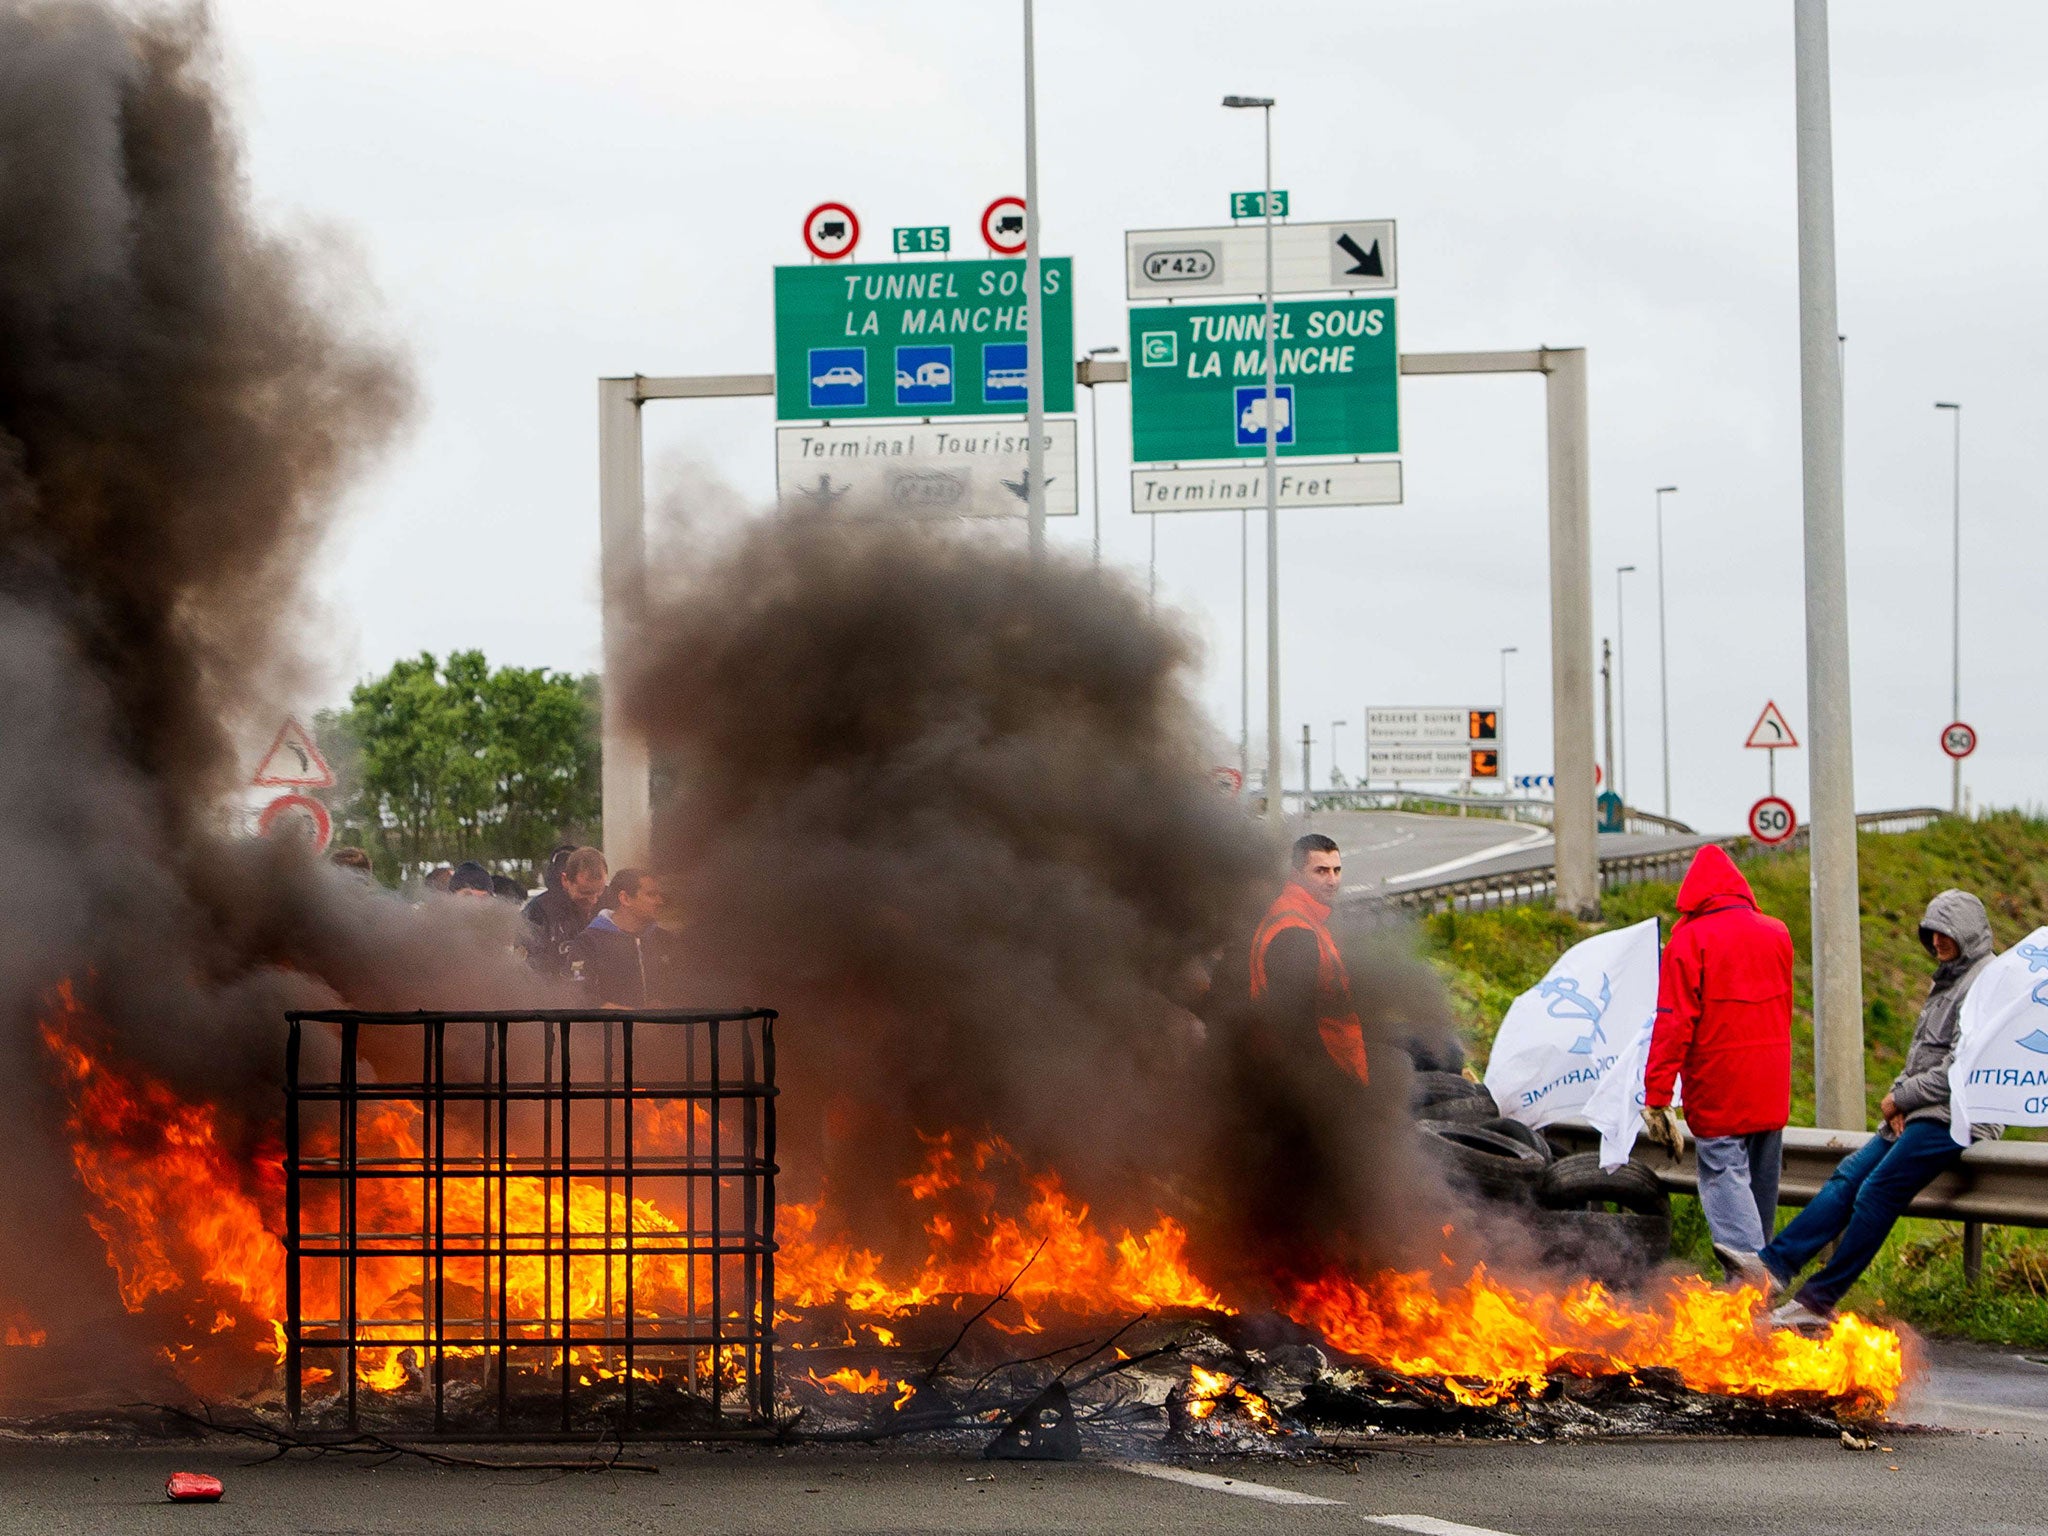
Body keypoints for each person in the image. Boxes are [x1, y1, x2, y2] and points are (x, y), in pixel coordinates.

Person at [1722, 891, 2001, 1328]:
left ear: (1968, 933)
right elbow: (1920, 1057)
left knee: (1876, 1190)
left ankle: (1817, 1301)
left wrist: (1901, 1099)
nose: (1937, 941)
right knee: (1850, 1174)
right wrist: (1897, 1101)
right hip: (1924, 1108)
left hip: (1960, 1115)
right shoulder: (1946, 979)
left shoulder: (1986, 982)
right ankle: (1772, 1269)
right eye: (1931, 933)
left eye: (1946, 933)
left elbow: (1959, 1068)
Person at [1641, 843, 1794, 1264]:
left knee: (1725, 1176)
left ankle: (1751, 1273)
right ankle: (1756, 1292)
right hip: (1770, 1082)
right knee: (1761, 1184)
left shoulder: (1688, 942)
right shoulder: (1777, 933)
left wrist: (1657, 1097)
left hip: (1719, 1082)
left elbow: (1673, 1023)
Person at [1247, 834, 1368, 1085]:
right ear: (1297, 874)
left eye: (1336, 870)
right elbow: (1296, 1026)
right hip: (1322, 1077)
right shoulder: (1295, 931)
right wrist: (1335, 1085)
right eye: (1321, 871)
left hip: (1324, 1069)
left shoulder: (1303, 916)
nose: (1332, 880)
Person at [568, 869, 677, 1006]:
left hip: (665, 1027)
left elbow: (687, 990)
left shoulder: (665, 939)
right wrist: (634, 1020)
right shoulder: (588, 943)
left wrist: (666, 1007)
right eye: (651, 894)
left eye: (659, 895)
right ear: (625, 898)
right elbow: (578, 996)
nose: (660, 901)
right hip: (609, 1027)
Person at [522, 846, 607, 974]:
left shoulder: (614, 903)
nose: (593, 900)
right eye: (585, 892)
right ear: (565, 880)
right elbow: (530, 968)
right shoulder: (539, 911)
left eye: (599, 891)